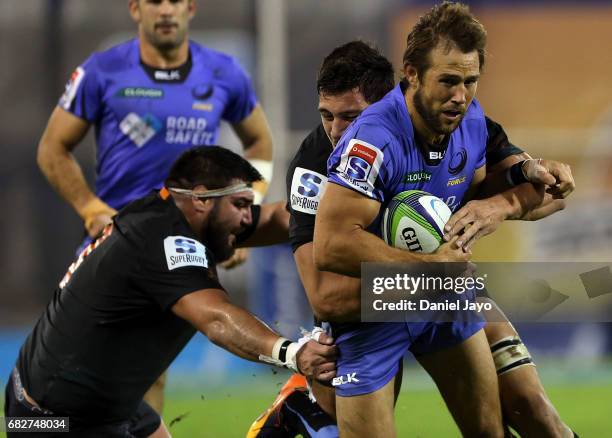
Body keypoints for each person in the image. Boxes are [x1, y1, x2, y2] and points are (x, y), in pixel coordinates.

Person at [250, 39, 576, 437]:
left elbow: (548, 197)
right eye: (326, 116)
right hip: (367, 310)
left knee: (531, 406)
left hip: (442, 292)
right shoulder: (315, 167)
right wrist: (431, 275)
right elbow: (326, 296)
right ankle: (302, 409)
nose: (337, 132)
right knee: (338, 416)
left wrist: (499, 205)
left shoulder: (450, 123)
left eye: (350, 117)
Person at [36, 0, 273, 411]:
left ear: (191, 8)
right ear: (135, 9)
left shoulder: (224, 72)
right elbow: (51, 148)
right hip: (118, 243)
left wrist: (242, 215)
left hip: (185, 245)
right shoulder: (101, 71)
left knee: (149, 368)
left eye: (175, 1)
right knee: (89, 365)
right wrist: (90, 207)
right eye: (154, 1)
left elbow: (260, 142)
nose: (165, 10)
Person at [4, 147, 336, 438]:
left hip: (110, 406)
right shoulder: (163, 242)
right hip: (48, 420)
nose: (247, 218)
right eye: (240, 205)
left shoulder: (169, 215)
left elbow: (280, 217)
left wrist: (344, 211)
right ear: (201, 199)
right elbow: (216, 319)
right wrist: (293, 354)